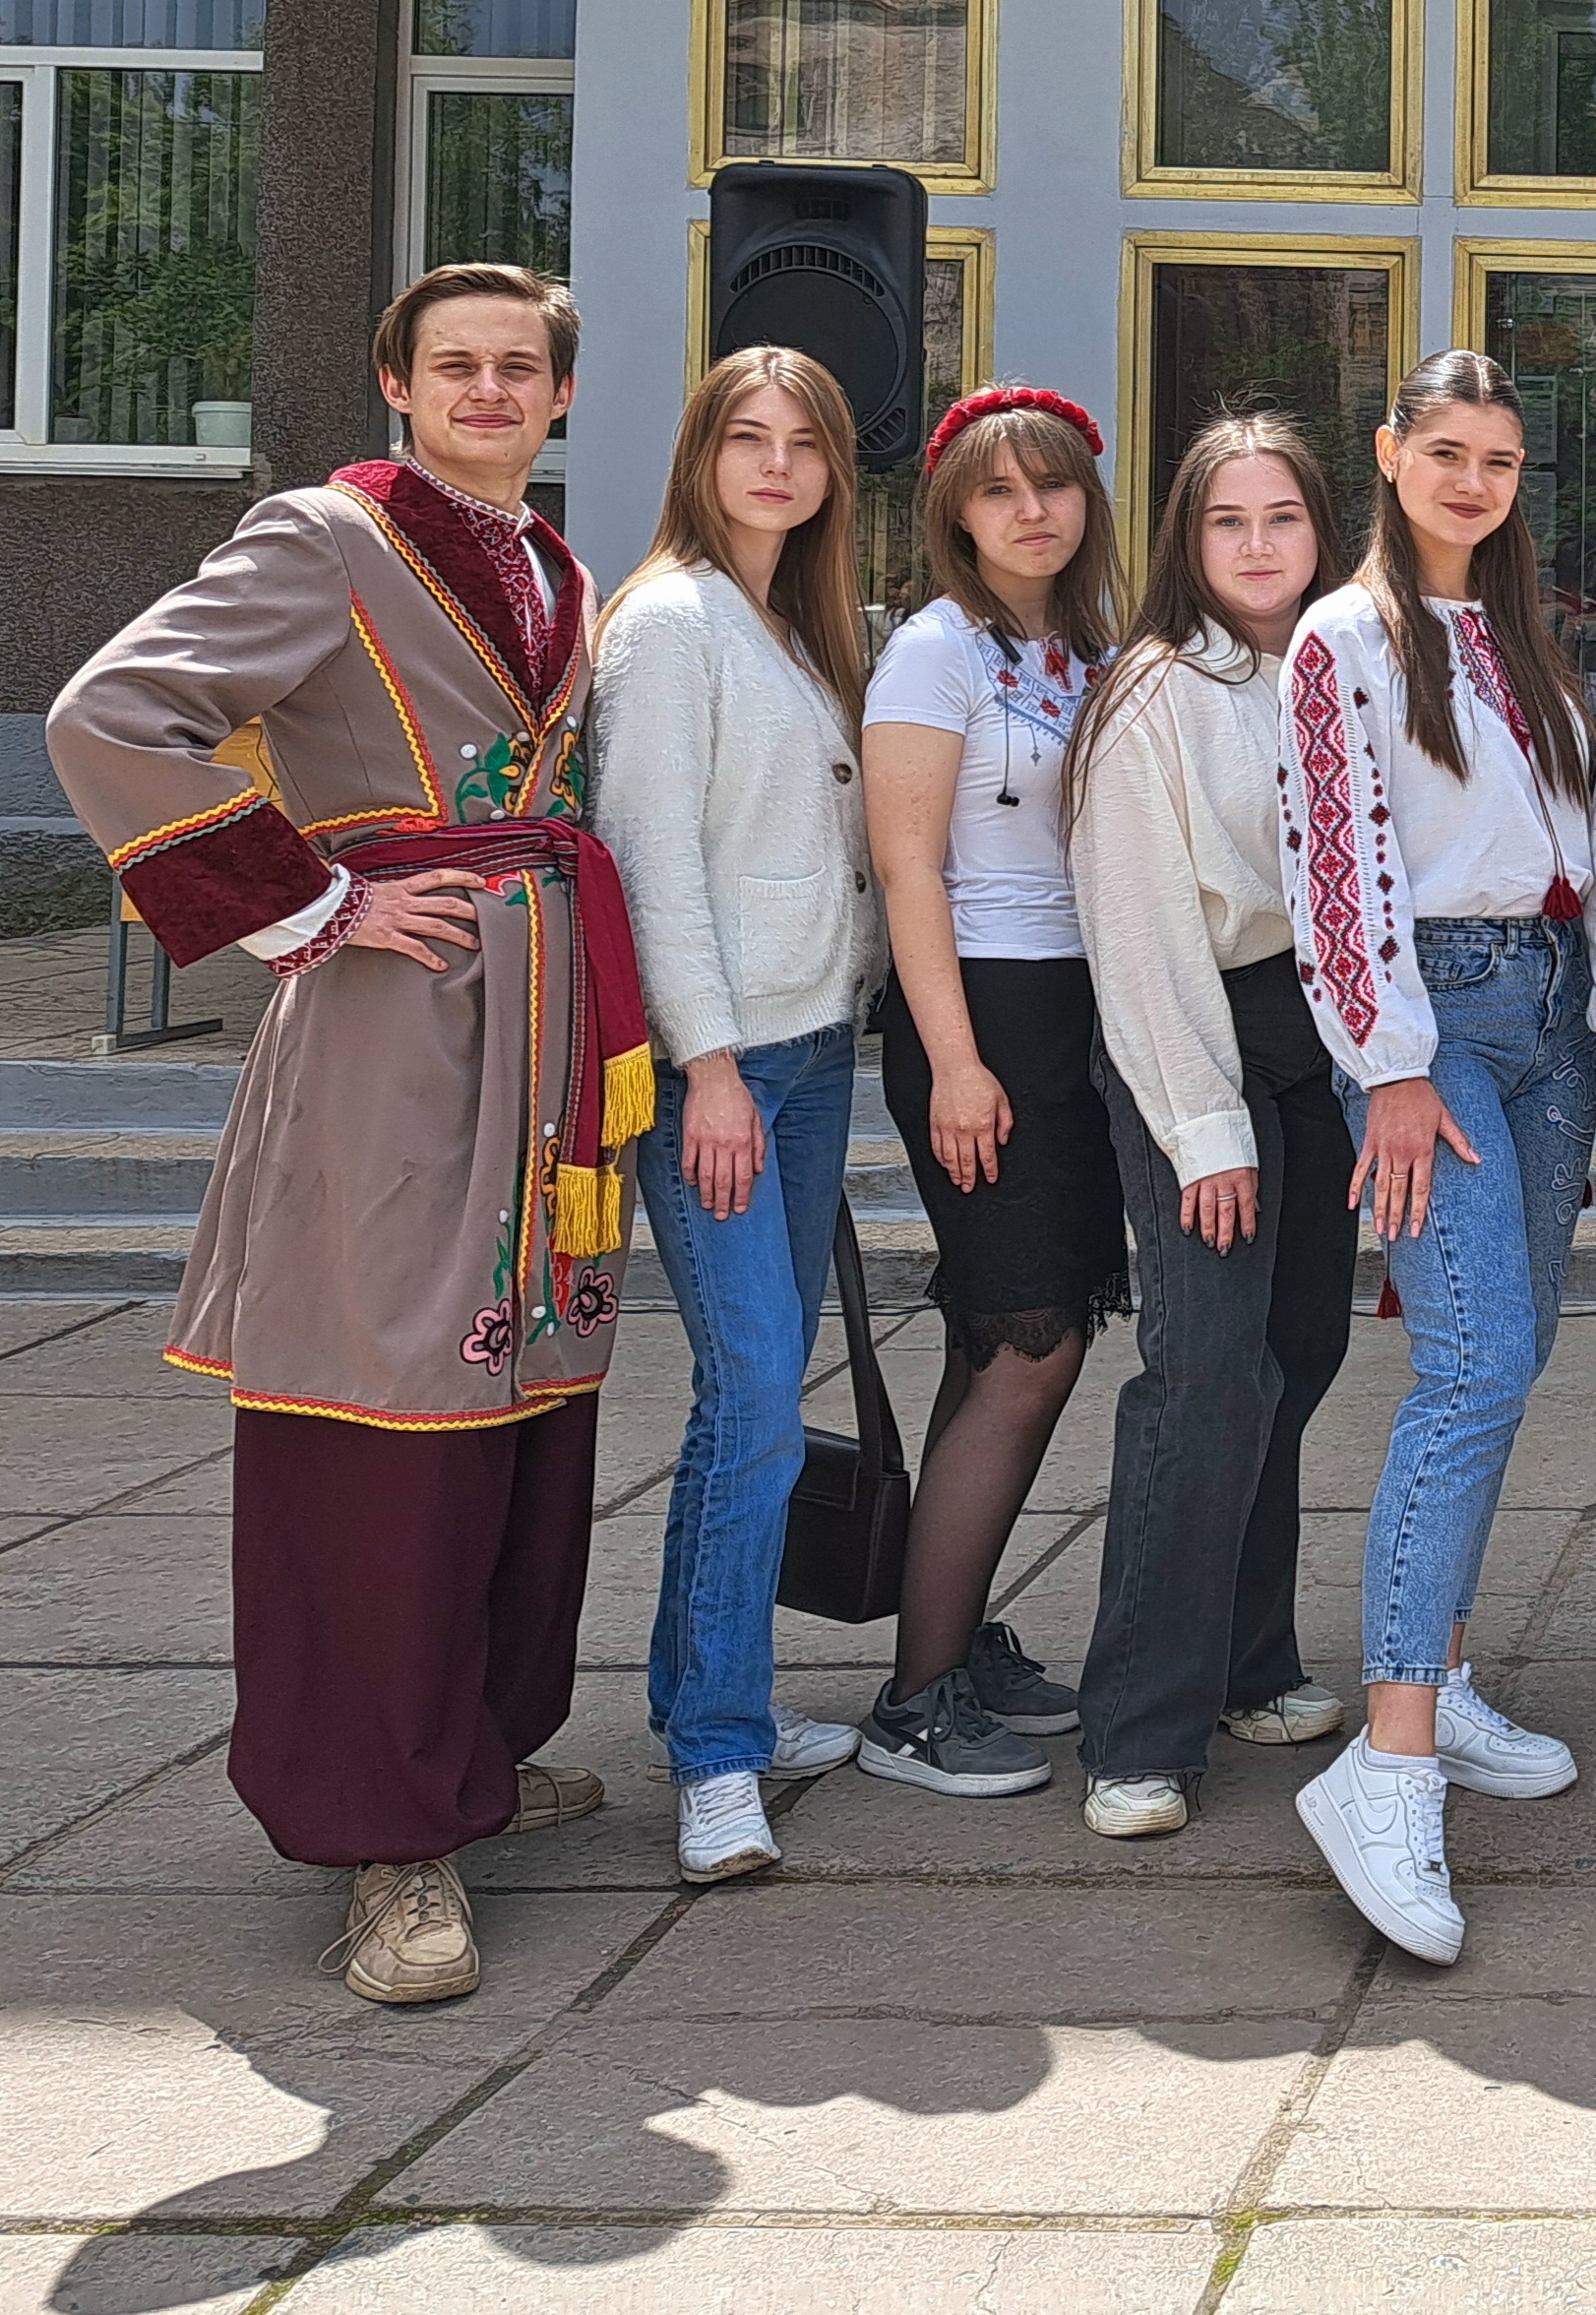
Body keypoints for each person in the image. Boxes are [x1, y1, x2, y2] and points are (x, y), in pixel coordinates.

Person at [48, 264, 648, 2001]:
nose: (487, 390)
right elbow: (110, 714)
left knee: (517, 1382)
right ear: (397, 381)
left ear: (559, 397)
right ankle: (381, 1831)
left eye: (518, 366)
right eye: (454, 364)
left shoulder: (555, 566)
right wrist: (314, 905)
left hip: (540, 1036)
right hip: (398, 1025)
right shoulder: (325, 536)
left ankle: (464, 1749)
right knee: (382, 1397)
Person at [1280, 353, 1596, 1956]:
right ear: (1389, 453)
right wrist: (1390, 1064)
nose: (1474, 482)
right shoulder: (1344, 638)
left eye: (1500, 460)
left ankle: (1447, 1669)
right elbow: (1334, 866)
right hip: (1439, 1017)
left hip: (1551, 1008)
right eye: (1448, 452)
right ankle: (1388, 1758)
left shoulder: (1514, 632)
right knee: (1467, 1365)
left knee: (1513, 1351)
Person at [587, 344, 883, 1885]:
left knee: (760, 1398)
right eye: (747, 438)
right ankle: (714, 1754)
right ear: (699, 455)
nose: (777, 466)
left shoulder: (793, 627)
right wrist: (704, 1068)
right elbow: (646, 858)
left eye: (805, 443)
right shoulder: (668, 624)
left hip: (813, 1054)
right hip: (728, 1070)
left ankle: (719, 1700)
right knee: (754, 1396)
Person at [1061, 414, 1353, 1845]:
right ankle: (1138, 1730)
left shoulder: (1345, 668)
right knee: (1204, 1376)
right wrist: (1203, 1128)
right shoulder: (1151, 689)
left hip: (1323, 1038)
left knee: (1298, 1359)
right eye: (1227, 520)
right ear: (1187, 538)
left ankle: (1250, 1662)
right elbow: (1139, 926)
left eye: (1281, 517)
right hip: (1196, 1035)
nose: (1256, 544)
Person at [854, 383, 1128, 1800]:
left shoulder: (1090, 646)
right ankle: (913, 1705)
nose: (1032, 511)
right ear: (956, 512)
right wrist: (957, 1062)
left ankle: (951, 1643)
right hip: (983, 1016)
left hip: (1080, 1014)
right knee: (1033, 1351)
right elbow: (909, 869)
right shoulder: (933, 650)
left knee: (996, 1340)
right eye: (999, 490)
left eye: (1055, 485)